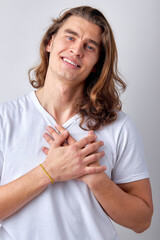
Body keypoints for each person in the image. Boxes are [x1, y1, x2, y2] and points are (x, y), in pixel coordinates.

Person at [0, 6, 153, 240]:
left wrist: (94, 176)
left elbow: (142, 221)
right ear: (49, 43)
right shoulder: (5, 118)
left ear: (97, 63)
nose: (76, 50)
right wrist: (48, 172)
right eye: (70, 37)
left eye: (89, 46)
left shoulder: (119, 126)